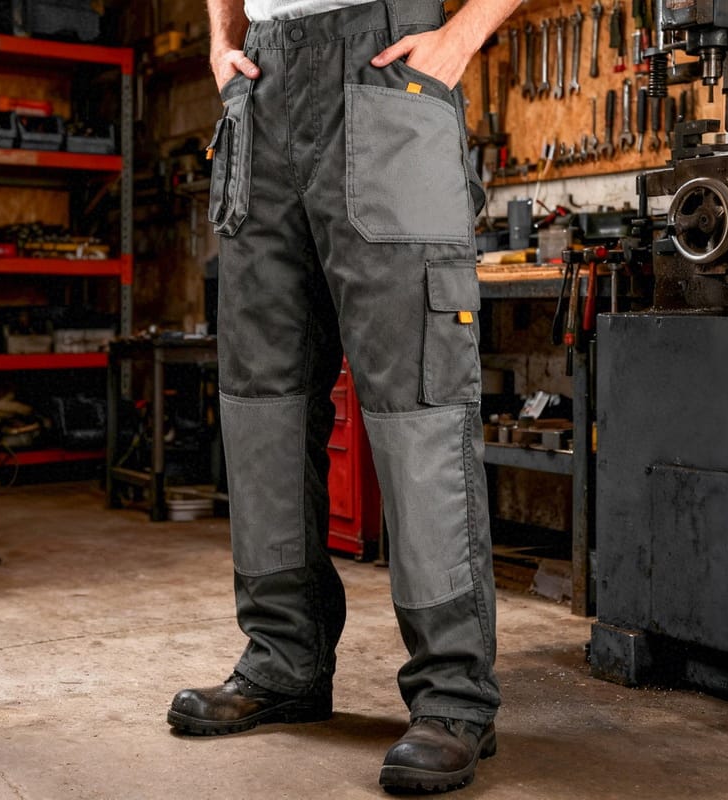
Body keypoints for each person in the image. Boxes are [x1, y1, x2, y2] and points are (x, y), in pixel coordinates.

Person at [168, 0, 520, 792]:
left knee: (418, 407)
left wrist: (462, 35)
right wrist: (222, 42)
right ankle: (283, 661)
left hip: (387, 63)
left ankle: (453, 694)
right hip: (259, 90)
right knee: (264, 401)